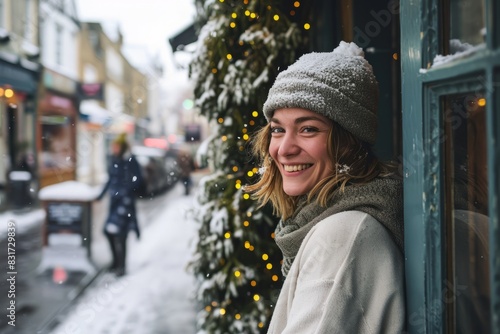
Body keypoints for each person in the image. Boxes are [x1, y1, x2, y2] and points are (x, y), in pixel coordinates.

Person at [246, 41, 405, 333]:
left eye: (308, 129)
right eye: (278, 129)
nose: (284, 149)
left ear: (348, 141)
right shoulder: (326, 220)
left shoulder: (341, 236)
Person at [96, 133, 142, 276]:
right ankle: (115, 262)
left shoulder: (130, 161)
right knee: (108, 231)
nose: (113, 149)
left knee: (121, 235)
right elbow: (110, 179)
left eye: (116, 146)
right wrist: (100, 195)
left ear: (121, 147)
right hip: (114, 202)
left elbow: (138, 180)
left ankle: (122, 266)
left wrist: (125, 189)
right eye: (113, 146)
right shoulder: (114, 160)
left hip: (125, 203)